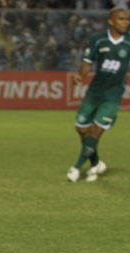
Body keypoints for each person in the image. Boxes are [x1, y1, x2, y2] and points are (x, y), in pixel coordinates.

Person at [67, 7, 130, 183]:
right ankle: (95, 163)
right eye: (122, 19)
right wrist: (80, 75)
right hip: (94, 93)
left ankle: (77, 167)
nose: (126, 22)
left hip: (113, 96)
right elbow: (88, 62)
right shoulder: (98, 40)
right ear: (111, 21)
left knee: (95, 131)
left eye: (127, 19)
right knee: (81, 128)